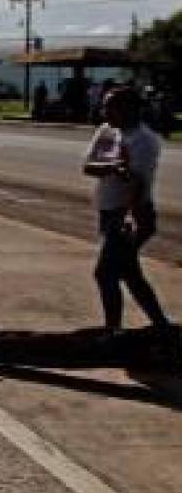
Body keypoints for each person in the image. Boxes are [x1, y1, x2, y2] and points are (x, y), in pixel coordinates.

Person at [82, 86, 171, 336]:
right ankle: (161, 326)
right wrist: (113, 166)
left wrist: (131, 218)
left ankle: (113, 330)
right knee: (129, 273)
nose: (105, 111)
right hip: (108, 212)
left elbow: (138, 182)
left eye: (111, 106)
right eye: (104, 106)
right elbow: (88, 167)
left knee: (104, 273)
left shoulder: (145, 140)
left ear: (131, 109)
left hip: (131, 214)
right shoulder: (107, 131)